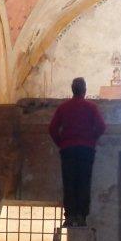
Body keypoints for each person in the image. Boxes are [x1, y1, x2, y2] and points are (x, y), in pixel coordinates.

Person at [47, 77, 106, 226]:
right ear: (85, 90)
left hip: (68, 150)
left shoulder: (63, 107)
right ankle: (81, 217)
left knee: (69, 182)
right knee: (84, 182)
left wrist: (62, 143)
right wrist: (91, 139)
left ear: (72, 90)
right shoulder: (91, 107)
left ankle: (70, 216)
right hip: (86, 150)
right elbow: (101, 126)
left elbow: (52, 129)